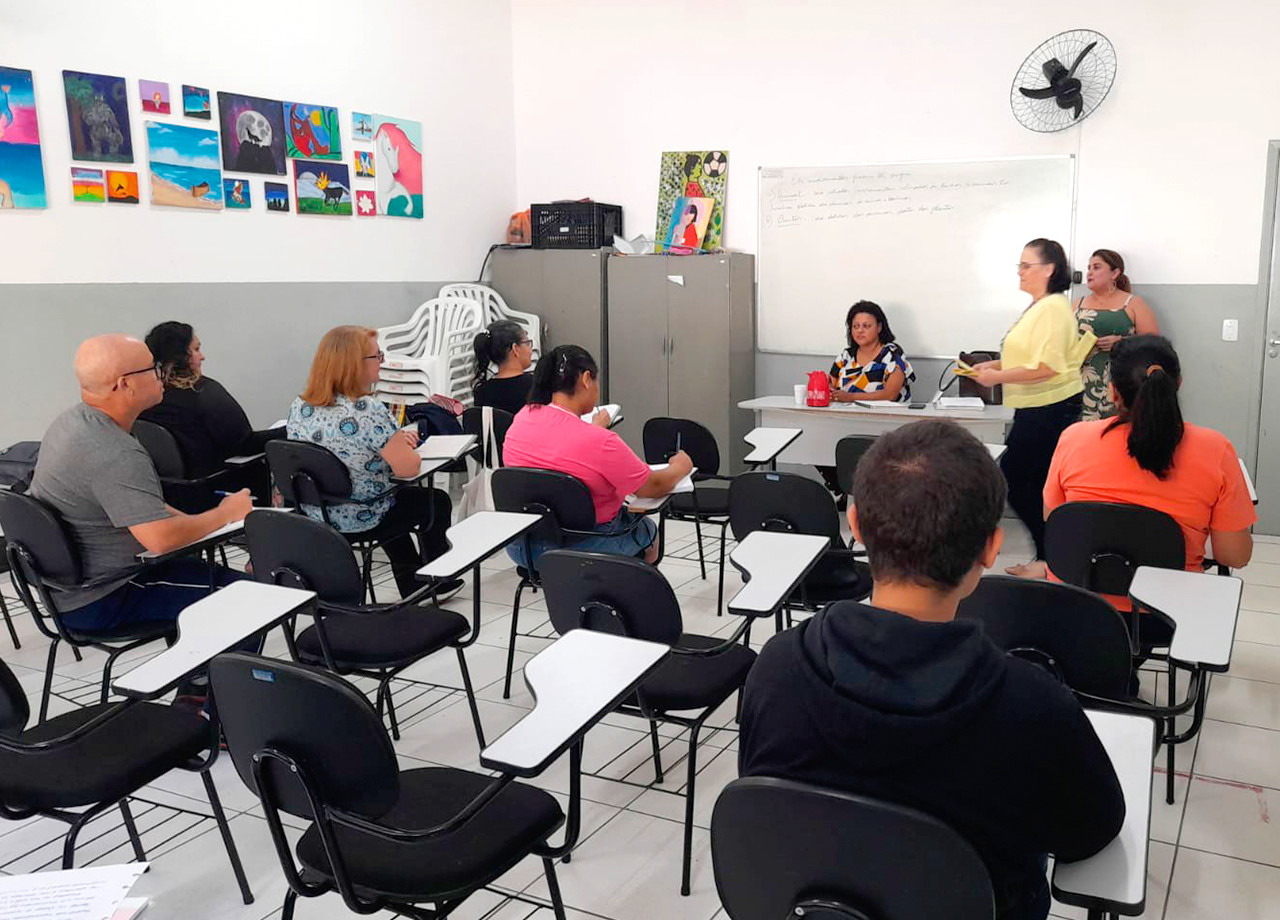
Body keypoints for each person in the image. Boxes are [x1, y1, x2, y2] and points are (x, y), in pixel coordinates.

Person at [739, 419, 1124, 920]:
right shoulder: (1031, 704)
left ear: (854, 525)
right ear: (991, 548)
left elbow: (769, 801)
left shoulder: (778, 666)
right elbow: (1092, 831)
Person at [27, 334, 252, 634]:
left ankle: (200, 674)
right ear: (125, 384)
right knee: (249, 599)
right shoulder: (112, 450)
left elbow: (142, 503)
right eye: (152, 368)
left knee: (213, 578)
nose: (161, 375)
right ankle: (205, 681)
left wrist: (195, 521)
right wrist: (225, 514)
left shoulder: (72, 422)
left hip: (70, 591)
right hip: (107, 596)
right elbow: (160, 540)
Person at [1045, 335, 1254, 614]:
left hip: (1080, 606)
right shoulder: (1215, 449)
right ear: (1177, 384)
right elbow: (1234, 555)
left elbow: (1054, 518)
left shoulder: (1073, 438)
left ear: (1112, 392)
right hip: (1168, 614)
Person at [285, 326, 460, 599]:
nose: (383, 361)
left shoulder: (301, 406)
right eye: (376, 356)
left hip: (317, 512)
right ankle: (438, 580)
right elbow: (408, 468)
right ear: (353, 364)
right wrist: (401, 445)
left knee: (392, 500)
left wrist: (392, 440)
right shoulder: (367, 410)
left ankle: (413, 585)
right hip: (361, 515)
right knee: (434, 501)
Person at [501, 344, 692, 567]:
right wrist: (681, 465)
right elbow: (653, 486)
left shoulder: (522, 419)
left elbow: (561, 450)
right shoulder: (600, 442)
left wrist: (595, 430)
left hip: (523, 547)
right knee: (648, 531)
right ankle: (628, 592)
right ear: (586, 379)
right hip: (587, 546)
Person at [971, 239, 1095, 577]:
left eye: (1027, 266)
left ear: (1049, 269)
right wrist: (994, 365)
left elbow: (1047, 367)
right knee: (1034, 482)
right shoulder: (1041, 306)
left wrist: (996, 377)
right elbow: (1028, 357)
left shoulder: (1054, 309)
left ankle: (1050, 558)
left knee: (1020, 477)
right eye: (1020, 266)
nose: (1020, 272)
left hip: (1050, 406)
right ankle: (1049, 557)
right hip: (1037, 406)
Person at [139, 321, 283, 506]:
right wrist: (290, 430)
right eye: (197, 349)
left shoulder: (144, 399)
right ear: (181, 356)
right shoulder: (204, 392)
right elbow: (245, 444)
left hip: (168, 495)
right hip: (217, 491)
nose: (203, 356)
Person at [1075, 250, 1159, 419]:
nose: (1089, 272)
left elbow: (1154, 343)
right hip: (1079, 380)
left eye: (1097, 267)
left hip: (1119, 380)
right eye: (1088, 267)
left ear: (1115, 273)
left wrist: (1121, 341)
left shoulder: (1133, 303)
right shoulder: (1078, 304)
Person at [827, 300, 916, 404]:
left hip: (887, 417)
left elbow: (890, 394)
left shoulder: (892, 354)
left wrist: (851, 397)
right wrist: (827, 388)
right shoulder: (846, 356)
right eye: (856, 326)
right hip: (845, 416)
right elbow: (830, 384)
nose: (860, 331)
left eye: (866, 326)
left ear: (879, 327)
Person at [471, 319, 534, 417]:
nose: (530, 349)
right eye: (527, 343)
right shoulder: (535, 386)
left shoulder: (482, 391)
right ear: (515, 349)